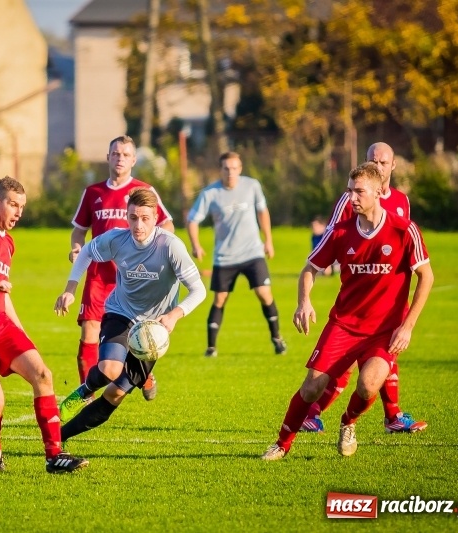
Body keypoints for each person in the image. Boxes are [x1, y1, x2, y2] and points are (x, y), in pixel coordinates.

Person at [261, 162, 434, 460]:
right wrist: (304, 302)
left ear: (380, 191)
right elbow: (309, 269)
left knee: (368, 386)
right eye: (349, 191)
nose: (352, 198)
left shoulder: (404, 230)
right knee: (312, 388)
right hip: (343, 325)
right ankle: (281, 444)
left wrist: (407, 326)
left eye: (359, 192)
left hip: (384, 330)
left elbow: (426, 277)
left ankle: (348, 422)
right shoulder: (340, 232)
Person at [0, 176, 88, 474]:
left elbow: (3, 295)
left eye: (22, 206)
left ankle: (54, 456)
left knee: (43, 374)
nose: (18, 211)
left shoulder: (9, 243)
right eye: (13, 204)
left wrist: (21, 332)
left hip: (0, 325)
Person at [55, 187, 206, 442]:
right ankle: (86, 389)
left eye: (145, 218)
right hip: (120, 312)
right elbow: (87, 252)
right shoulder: (117, 239)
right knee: (109, 369)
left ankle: (59, 438)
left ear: (156, 218)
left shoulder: (170, 246)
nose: (138, 225)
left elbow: (199, 289)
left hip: (153, 330)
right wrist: (70, 289)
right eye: (133, 217)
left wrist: (174, 315)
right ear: (127, 216)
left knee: (115, 393)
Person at [301, 142, 426, 434]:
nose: (378, 166)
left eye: (383, 162)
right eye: (372, 161)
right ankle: (315, 412)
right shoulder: (351, 200)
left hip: (390, 301)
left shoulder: (401, 201)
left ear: (393, 166)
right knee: (347, 364)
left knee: (383, 360)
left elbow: (405, 247)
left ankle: (392, 416)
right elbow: (333, 236)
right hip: (357, 299)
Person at [69, 135, 174, 400]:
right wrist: (76, 247)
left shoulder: (143, 191)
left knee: (137, 331)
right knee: (89, 331)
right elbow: (79, 231)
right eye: (115, 153)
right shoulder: (93, 193)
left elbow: (167, 224)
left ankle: (143, 371)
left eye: (126, 154)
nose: (120, 158)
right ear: (108, 157)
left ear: (134, 160)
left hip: (134, 277)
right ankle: (86, 394)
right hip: (98, 276)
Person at [186, 151, 287, 357]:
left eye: (234, 168)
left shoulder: (252, 186)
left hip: (252, 252)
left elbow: (262, 211)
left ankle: (277, 339)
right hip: (225, 256)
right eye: (226, 168)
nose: (230, 172)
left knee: (264, 293)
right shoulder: (210, 193)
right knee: (220, 299)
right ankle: (211, 348)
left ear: (240, 169)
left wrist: (268, 240)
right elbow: (192, 219)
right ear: (220, 170)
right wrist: (195, 244)